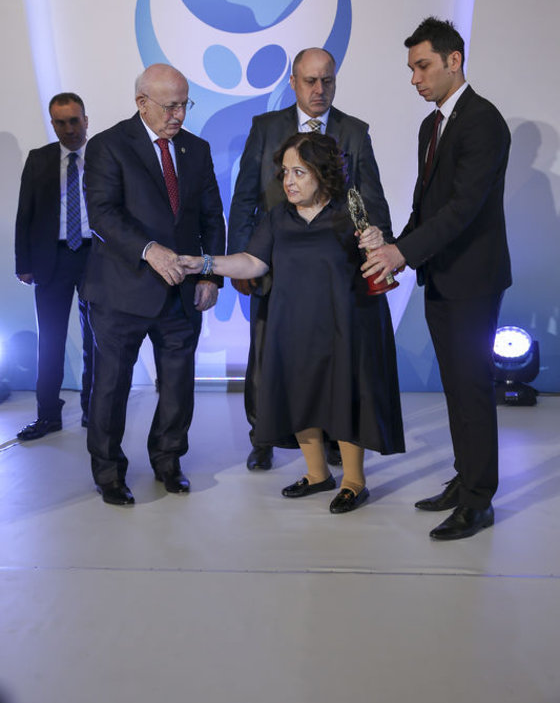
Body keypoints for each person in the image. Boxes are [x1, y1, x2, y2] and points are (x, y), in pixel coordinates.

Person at [183, 132, 405, 512]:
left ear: (322, 173)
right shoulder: (277, 218)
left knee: (345, 398)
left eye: (298, 172)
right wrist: (204, 263)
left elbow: (384, 259)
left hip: (345, 325)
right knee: (301, 394)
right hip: (293, 324)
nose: (288, 181)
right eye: (285, 172)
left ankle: (354, 481)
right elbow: (252, 263)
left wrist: (378, 240)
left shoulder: (349, 213)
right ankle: (318, 474)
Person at [363, 17, 511, 540]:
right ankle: (464, 479)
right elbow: (427, 209)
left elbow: (463, 209)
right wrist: (394, 248)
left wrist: (402, 252)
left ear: (454, 60)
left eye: (423, 66)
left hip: (473, 279)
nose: (415, 78)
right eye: (411, 68)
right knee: (455, 388)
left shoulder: (483, 121)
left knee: (472, 389)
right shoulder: (432, 125)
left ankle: (478, 500)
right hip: (442, 275)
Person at [228, 47, 394, 471]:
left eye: (328, 80)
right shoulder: (266, 128)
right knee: (267, 353)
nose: (320, 89)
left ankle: (335, 437)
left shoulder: (354, 132)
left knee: (334, 357)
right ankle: (263, 435)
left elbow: (371, 199)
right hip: (275, 260)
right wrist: (238, 257)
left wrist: (385, 251)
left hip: (335, 268)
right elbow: (245, 195)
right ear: (293, 82)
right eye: (310, 81)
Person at [82, 64, 225, 505]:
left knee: (178, 385)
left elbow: (211, 216)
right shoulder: (108, 145)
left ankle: (168, 461)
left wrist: (209, 274)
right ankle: (109, 472)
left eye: (184, 104)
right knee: (112, 386)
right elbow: (103, 214)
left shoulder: (196, 149)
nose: (178, 114)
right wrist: (149, 250)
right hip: (120, 291)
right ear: (142, 103)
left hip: (181, 291)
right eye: (170, 106)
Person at [15, 92, 94, 440]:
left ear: (86, 120)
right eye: (61, 123)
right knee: (50, 342)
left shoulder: (104, 157)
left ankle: (94, 411)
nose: (69, 129)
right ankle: (48, 415)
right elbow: (25, 214)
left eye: (74, 121)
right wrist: (23, 263)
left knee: (97, 341)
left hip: (95, 258)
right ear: (53, 124)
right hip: (52, 260)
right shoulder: (39, 159)